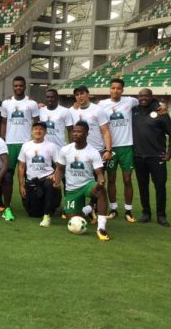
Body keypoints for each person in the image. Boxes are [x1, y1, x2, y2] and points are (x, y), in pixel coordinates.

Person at [54, 121, 110, 241]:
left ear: (87, 134)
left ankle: (101, 228)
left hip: (87, 185)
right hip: (71, 189)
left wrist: (101, 180)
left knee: (100, 191)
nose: (75, 134)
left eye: (79, 131)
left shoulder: (93, 152)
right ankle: (89, 209)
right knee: (74, 220)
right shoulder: (65, 150)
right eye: (74, 131)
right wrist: (56, 181)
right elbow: (59, 169)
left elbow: (99, 172)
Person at [98, 78, 139, 222]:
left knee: (127, 179)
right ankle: (113, 208)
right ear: (110, 89)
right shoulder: (102, 104)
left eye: (118, 88)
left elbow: (148, 101)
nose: (115, 91)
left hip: (127, 146)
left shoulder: (130, 101)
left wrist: (160, 106)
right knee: (111, 179)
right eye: (113, 88)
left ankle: (128, 210)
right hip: (110, 148)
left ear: (122, 90)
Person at [0, 76, 39, 221]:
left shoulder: (32, 104)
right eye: (16, 86)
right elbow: (3, 122)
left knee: (28, 176)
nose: (18, 88)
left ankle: (28, 203)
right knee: (8, 176)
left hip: (27, 144)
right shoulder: (6, 104)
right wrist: (2, 138)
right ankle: (7, 207)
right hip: (10, 144)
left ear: (24, 86)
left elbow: (37, 123)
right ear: (13, 87)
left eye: (20, 86)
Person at [131, 88, 171, 226]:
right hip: (138, 157)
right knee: (143, 186)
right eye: (141, 96)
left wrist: (169, 152)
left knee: (160, 186)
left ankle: (161, 215)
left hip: (156, 157)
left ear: (151, 96)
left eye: (146, 96)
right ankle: (146, 212)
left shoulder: (161, 111)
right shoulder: (134, 110)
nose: (143, 98)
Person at [17, 121, 61, 226]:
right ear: (32, 131)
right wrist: (21, 185)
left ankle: (47, 216)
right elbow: (21, 166)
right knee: (34, 214)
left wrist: (55, 174)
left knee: (49, 184)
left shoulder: (51, 146)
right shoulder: (25, 146)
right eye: (36, 129)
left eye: (41, 129)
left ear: (45, 132)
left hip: (46, 178)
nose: (38, 131)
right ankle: (43, 208)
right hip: (32, 182)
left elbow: (59, 165)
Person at [68, 85, 112, 161]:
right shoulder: (71, 111)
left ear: (88, 94)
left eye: (82, 93)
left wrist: (108, 150)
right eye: (77, 95)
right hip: (80, 151)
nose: (79, 96)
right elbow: (70, 131)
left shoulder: (98, 110)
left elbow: (106, 131)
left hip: (97, 150)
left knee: (98, 173)